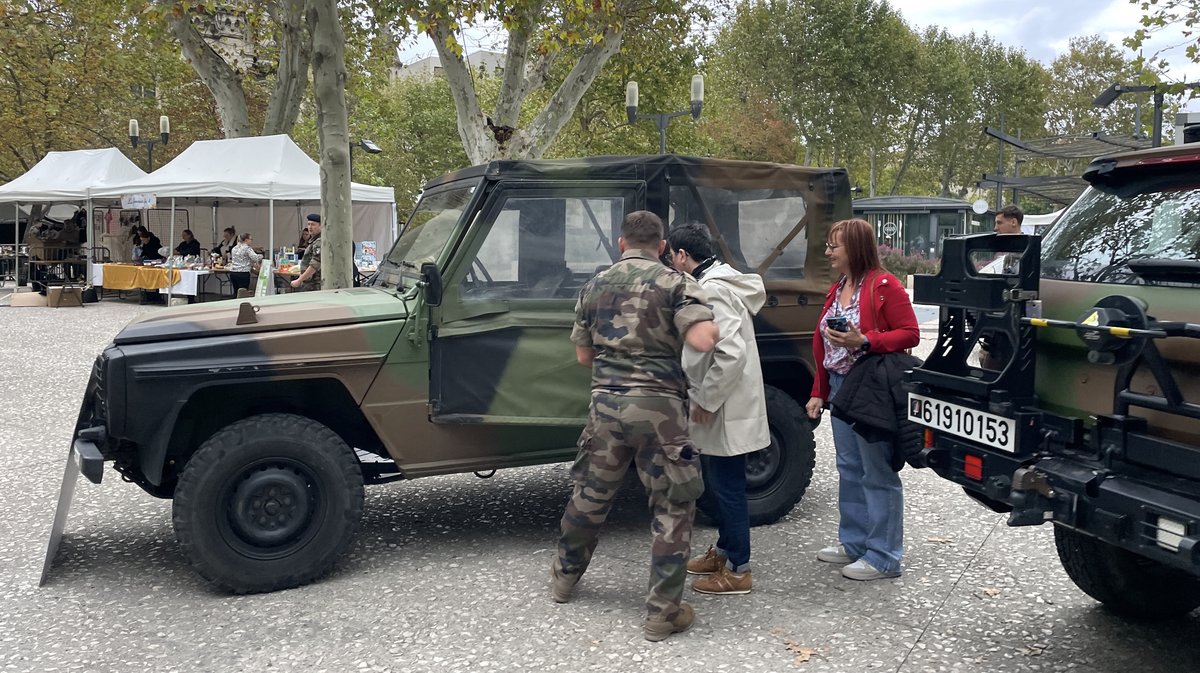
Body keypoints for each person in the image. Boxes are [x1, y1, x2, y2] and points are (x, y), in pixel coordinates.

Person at [552, 210, 720, 643]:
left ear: (620, 242)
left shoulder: (594, 285)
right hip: (660, 412)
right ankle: (662, 614)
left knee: (590, 494)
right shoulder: (677, 283)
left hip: (605, 408)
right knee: (672, 507)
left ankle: (564, 579)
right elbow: (703, 340)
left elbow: (583, 357)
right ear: (662, 246)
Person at [805, 218, 919, 581]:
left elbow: (911, 334)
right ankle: (854, 542)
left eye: (833, 246)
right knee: (849, 468)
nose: (828, 252)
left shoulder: (885, 286)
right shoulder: (838, 287)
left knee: (877, 472)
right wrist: (819, 392)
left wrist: (866, 340)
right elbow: (823, 344)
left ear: (854, 248)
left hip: (869, 391)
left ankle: (884, 556)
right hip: (841, 389)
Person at [667, 222, 769, 596]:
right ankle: (725, 551)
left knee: (727, 486)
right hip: (728, 402)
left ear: (681, 255)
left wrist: (707, 400)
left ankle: (739, 569)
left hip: (724, 405)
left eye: (671, 256)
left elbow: (729, 353)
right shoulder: (719, 282)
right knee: (723, 480)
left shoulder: (711, 290)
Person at [291, 215, 322, 291]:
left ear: (320, 226)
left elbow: (315, 264)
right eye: (309, 224)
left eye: (313, 224)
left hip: (315, 284)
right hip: (310, 283)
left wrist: (299, 280)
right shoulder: (313, 241)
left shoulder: (319, 242)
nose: (310, 227)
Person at [227, 233, 262, 297]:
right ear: (246, 240)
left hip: (233, 272)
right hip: (243, 273)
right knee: (243, 293)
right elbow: (255, 258)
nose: (251, 241)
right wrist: (261, 255)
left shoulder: (234, 248)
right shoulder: (247, 248)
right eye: (251, 239)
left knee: (236, 292)